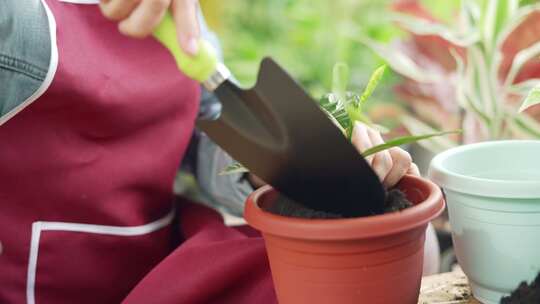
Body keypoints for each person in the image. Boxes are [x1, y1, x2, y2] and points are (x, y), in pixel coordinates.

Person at [0, 0, 438, 303]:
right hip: (40, 284)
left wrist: (272, 166)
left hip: (157, 267)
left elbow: (199, 125)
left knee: (391, 260)